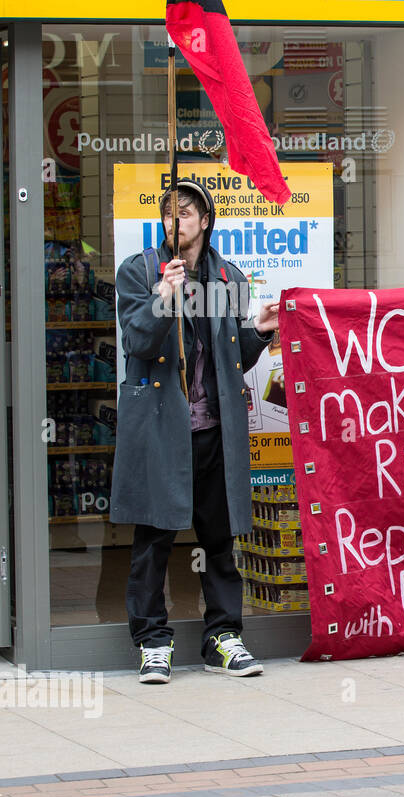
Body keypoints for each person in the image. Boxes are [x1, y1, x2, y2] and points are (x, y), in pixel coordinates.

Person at [111, 177, 279, 684]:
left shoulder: (229, 277)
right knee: (154, 537)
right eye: (168, 212)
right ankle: (152, 642)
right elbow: (138, 340)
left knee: (219, 538)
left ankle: (223, 638)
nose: (175, 221)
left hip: (214, 430)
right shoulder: (139, 270)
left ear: (205, 220)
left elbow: (231, 358)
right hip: (163, 427)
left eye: (185, 212)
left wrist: (260, 333)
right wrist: (164, 293)